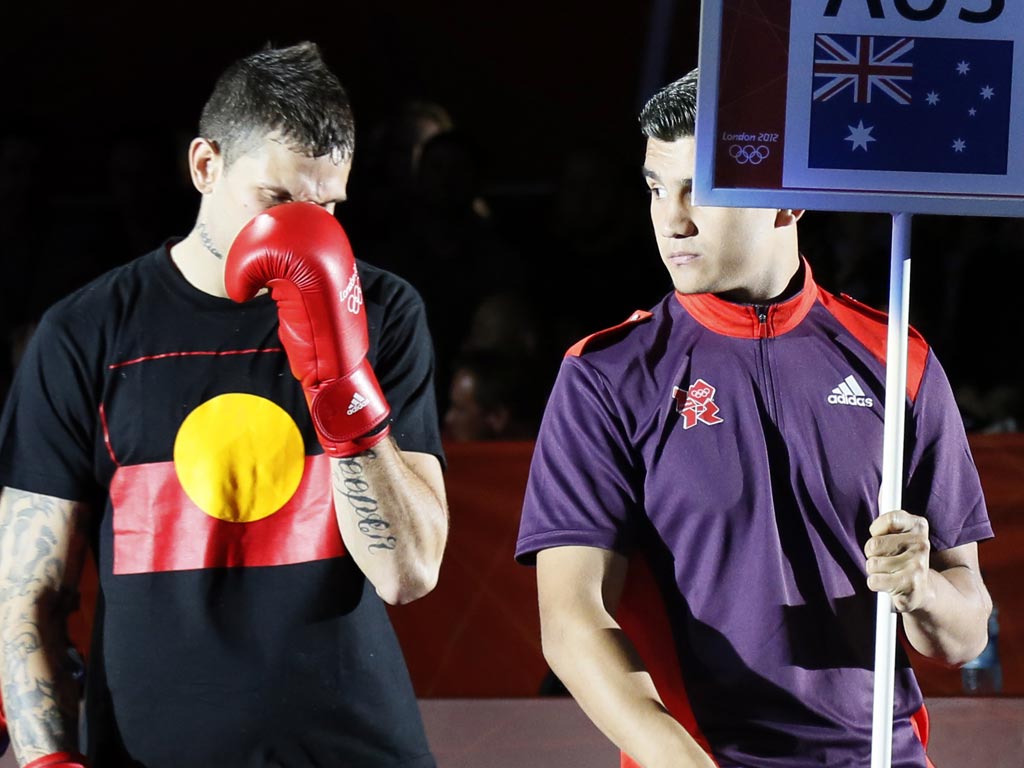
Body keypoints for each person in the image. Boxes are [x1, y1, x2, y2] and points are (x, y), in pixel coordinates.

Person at [515, 68, 994, 768]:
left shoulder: (900, 360)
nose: (672, 220)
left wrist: (920, 589)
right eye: (656, 187)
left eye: (700, 191)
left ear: (789, 202)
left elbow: (965, 633)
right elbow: (570, 621)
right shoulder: (606, 375)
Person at [0, 41, 448, 768]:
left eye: (327, 209)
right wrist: (49, 759)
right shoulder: (87, 331)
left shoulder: (383, 311)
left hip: (350, 750)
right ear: (206, 165)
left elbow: (408, 574)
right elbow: (27, 596)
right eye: (278, 202)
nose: (304, 236)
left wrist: (337, 376)